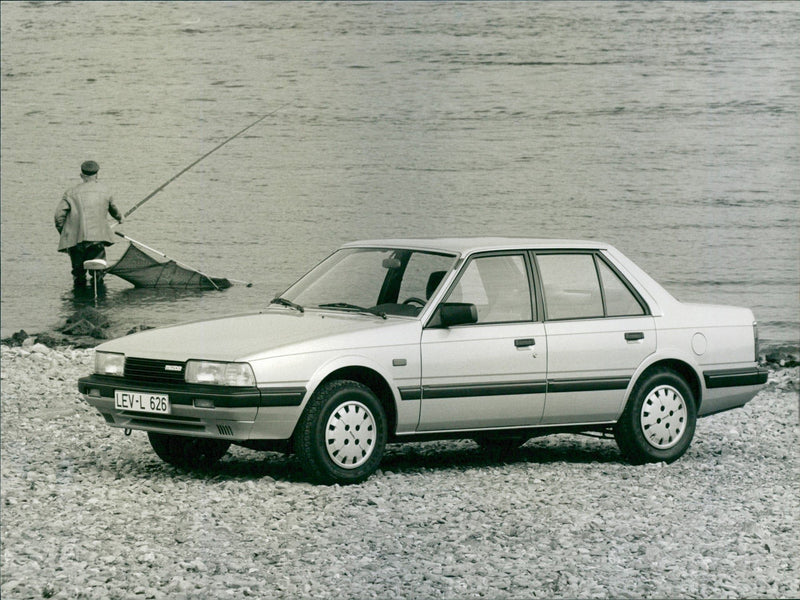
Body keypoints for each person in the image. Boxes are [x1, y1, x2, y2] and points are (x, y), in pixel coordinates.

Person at [54, 160, 124, 287]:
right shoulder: (105, 191)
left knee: (78, 273)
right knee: (98, 272)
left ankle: (79, 299)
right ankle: (98, 294)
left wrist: (65, 233)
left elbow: (58, 217)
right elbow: (114, 210)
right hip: (97, 240)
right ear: (97, 175)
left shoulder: (70, 193)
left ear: (82, 175)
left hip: (76, 241)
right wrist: (120, 218)